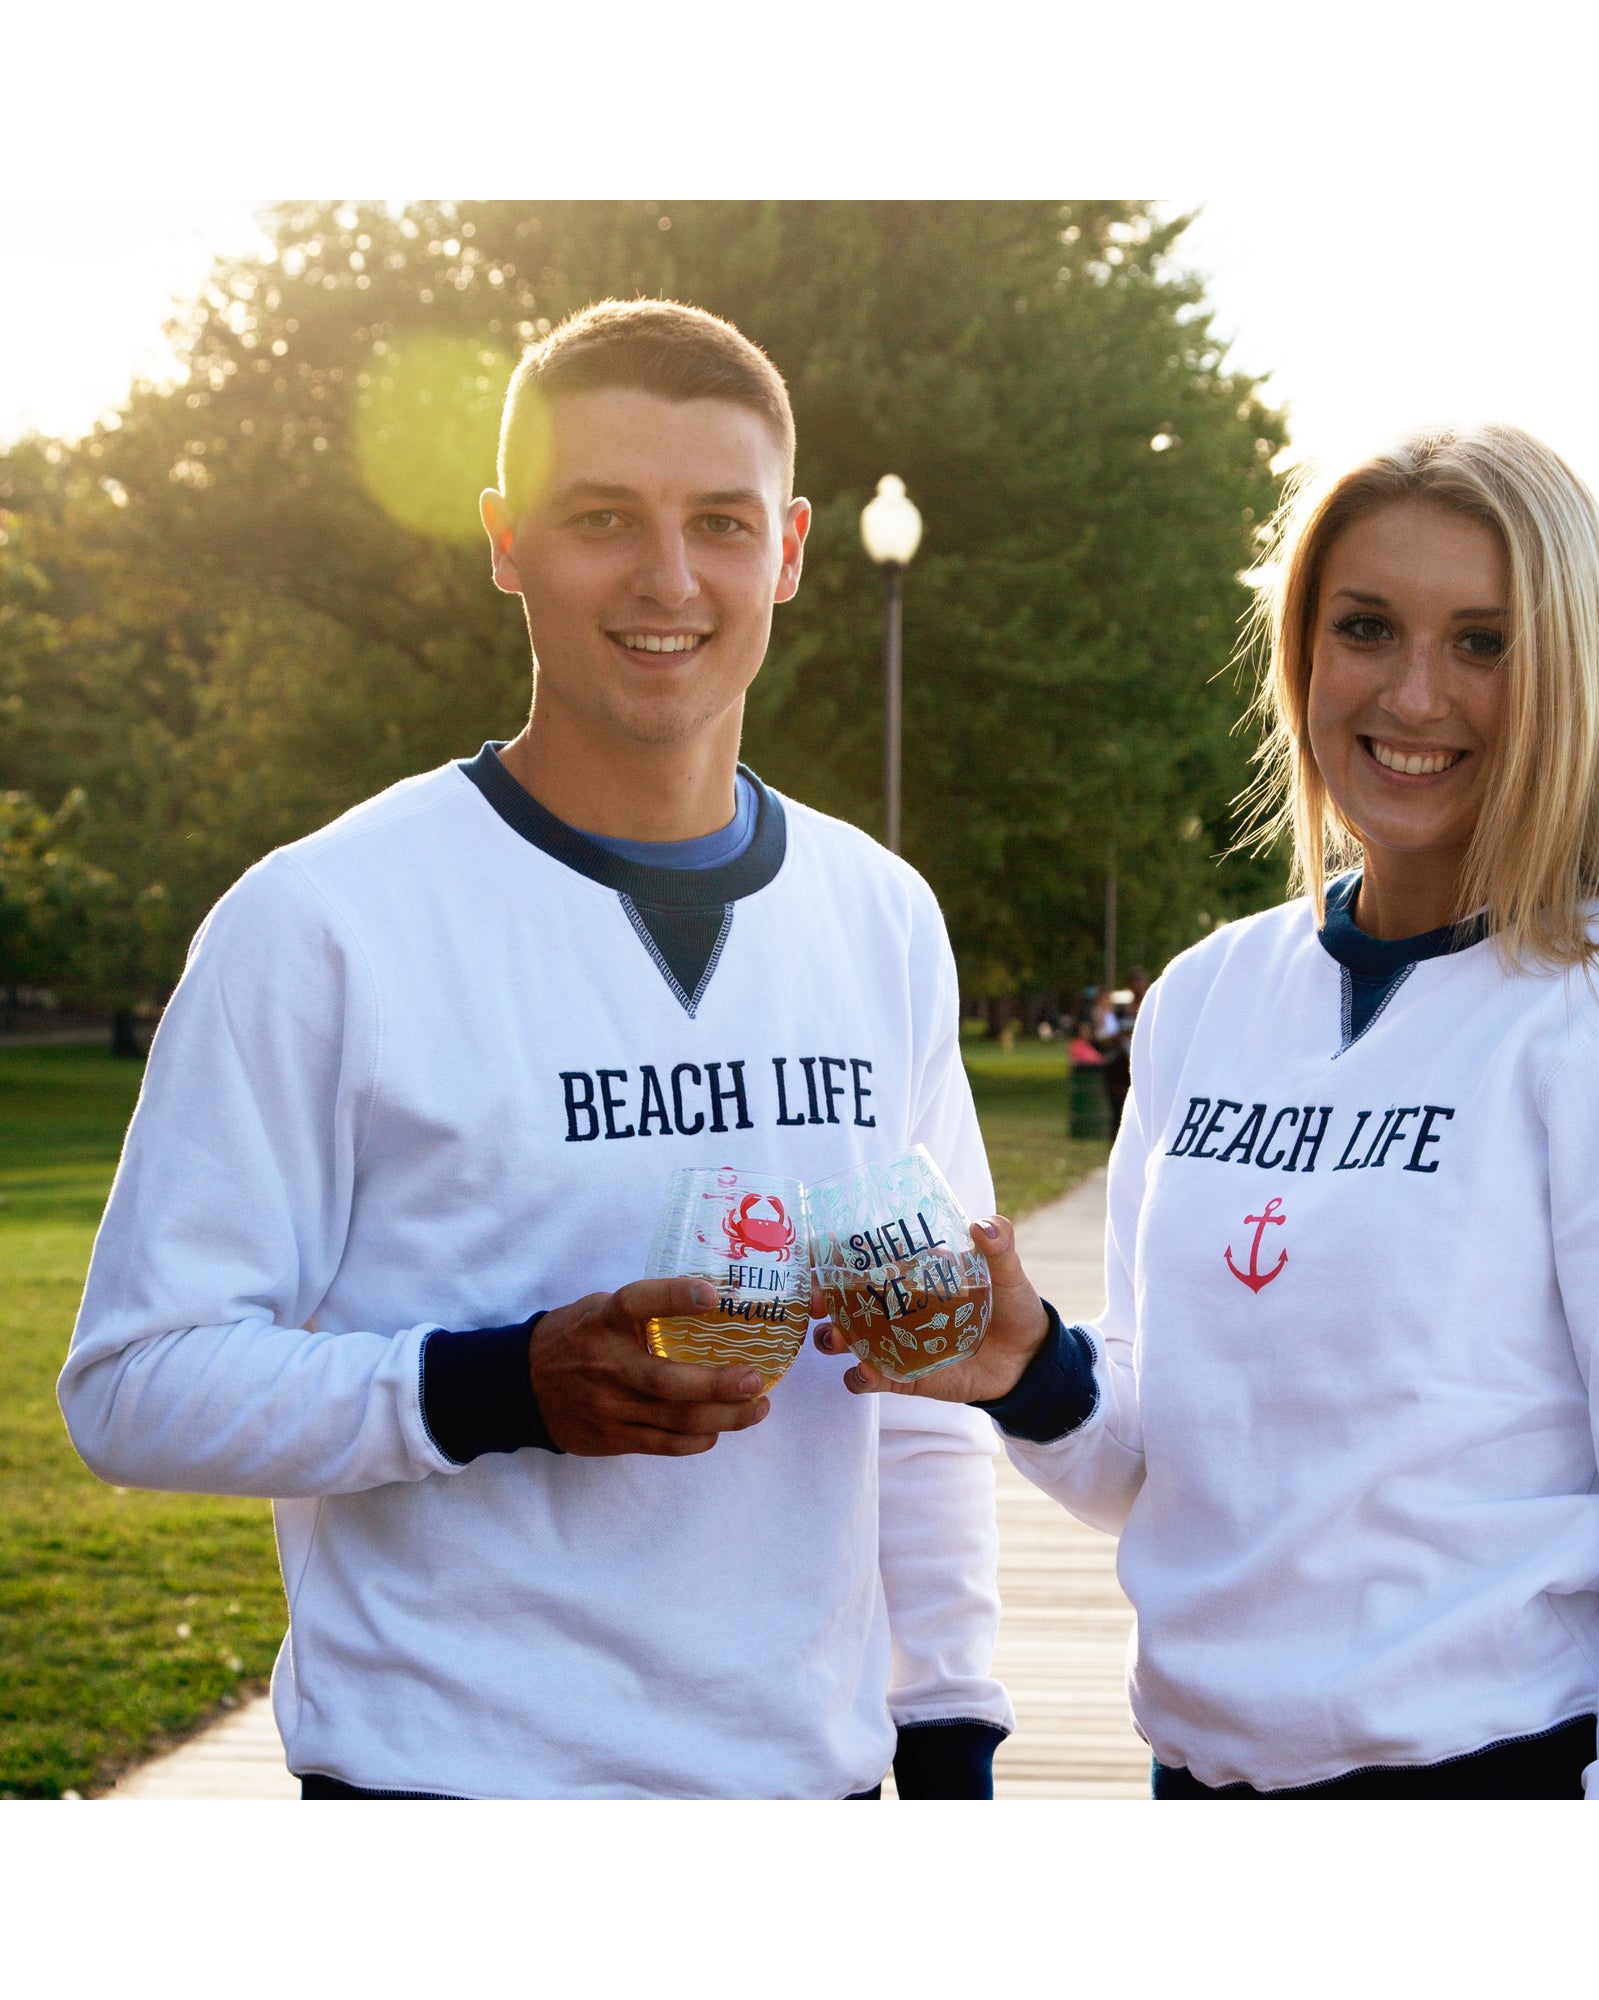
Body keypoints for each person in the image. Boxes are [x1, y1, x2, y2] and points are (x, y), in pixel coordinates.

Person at [60, 299, 1013, 1800]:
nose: (666, 578)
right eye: (600, 517)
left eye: (719, 521)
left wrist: (949, 1734)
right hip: (444, 1790)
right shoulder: (324, 919)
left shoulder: (878, 913)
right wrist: (495, 1387)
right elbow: (132, 1384)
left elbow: (919, 1381)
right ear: (506, 541)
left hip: (806, 1787)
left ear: (789, 550)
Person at [832, 424, 1599, 1798]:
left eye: (1483, 642)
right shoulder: (1209, 995)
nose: (1413, 693)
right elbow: (1166, 1464)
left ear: (1573, 673)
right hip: (1198, 1780)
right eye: (1365, 627)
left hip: (1494, 1783)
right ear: (1299, 653)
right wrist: (1029, 1366)